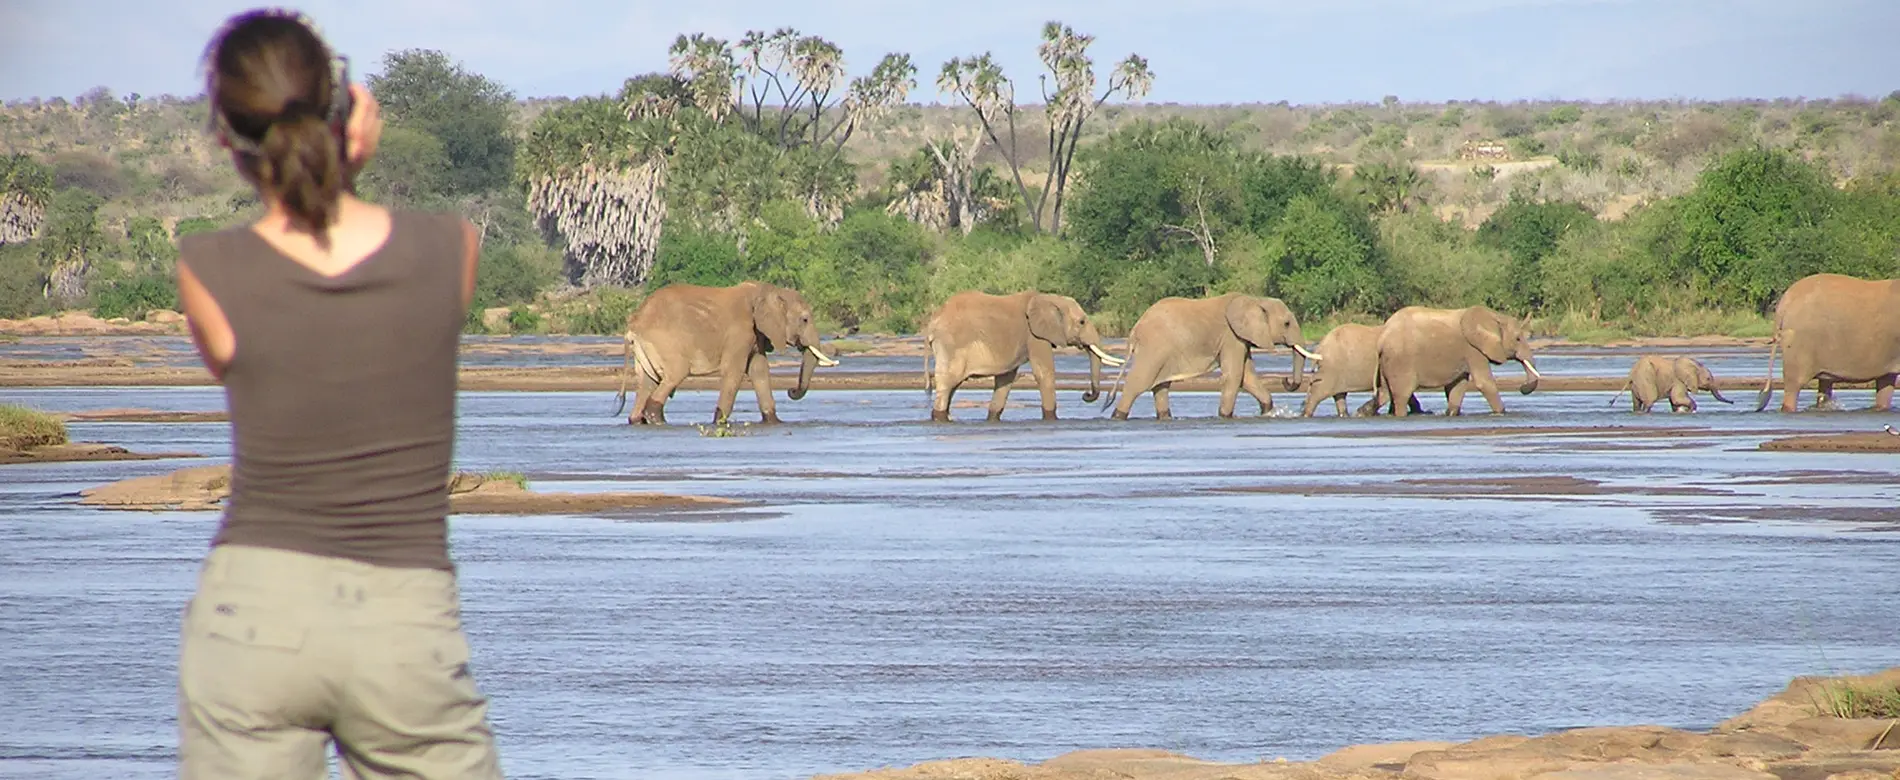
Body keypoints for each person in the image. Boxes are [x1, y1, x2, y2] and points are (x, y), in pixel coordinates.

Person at [171, 8, 504, 779]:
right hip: (403, 624)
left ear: (225, 138)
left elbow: (262, 364)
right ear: (347, 112)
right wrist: (344, 166)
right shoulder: (447, 247)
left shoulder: (207, 267)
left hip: (253, 618)